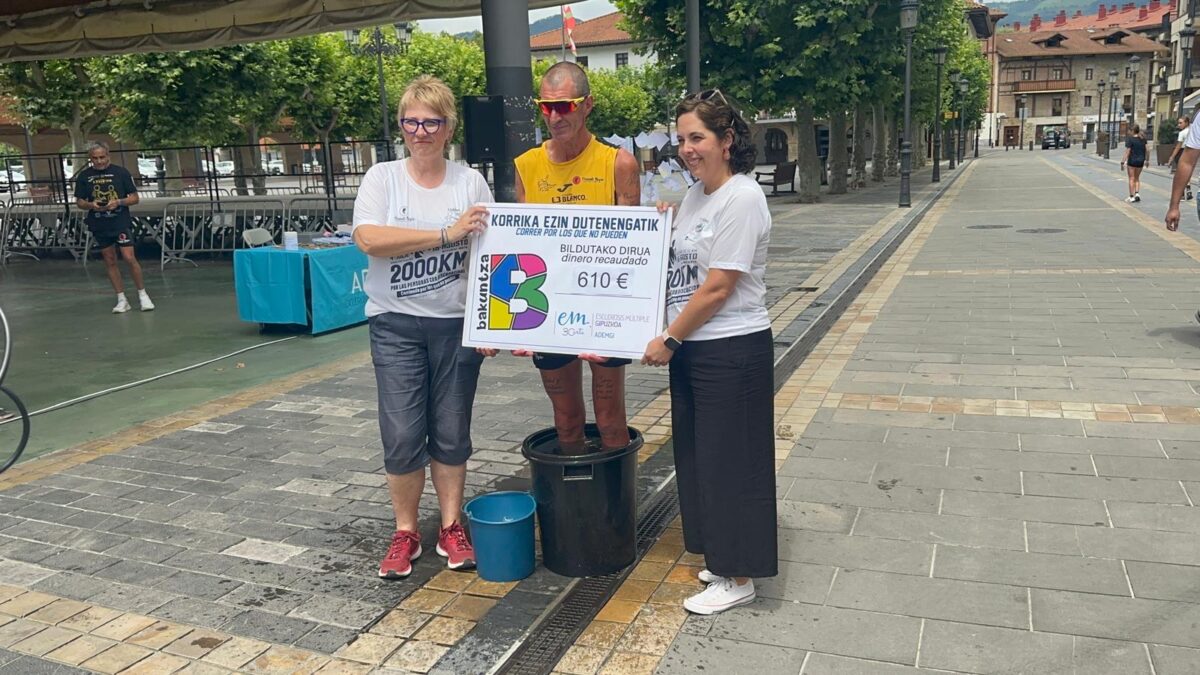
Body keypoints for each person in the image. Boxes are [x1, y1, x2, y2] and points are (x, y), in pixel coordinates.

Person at [641, 89, 776, 615]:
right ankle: (721, 559)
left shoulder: (743, 197)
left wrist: (670, 338)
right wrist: (659, 224)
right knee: (702, 459)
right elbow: (682, 264)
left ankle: (740, 577)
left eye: (697, 137)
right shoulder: (697, 194)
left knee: (732, 462)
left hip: (731, 349)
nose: (687, 149)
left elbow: (719, 287)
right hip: (695, 348)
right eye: (681, 139)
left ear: (727, 140)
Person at [352, 75, 493, 578]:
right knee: (401, 433)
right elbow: (369, 239)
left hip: (455, 325)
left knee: (452, 431)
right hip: (395, 324)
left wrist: (490, 324)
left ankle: (451, 525)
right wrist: (444, 234)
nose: (420, 132)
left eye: (431, 122)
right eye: (411, 122)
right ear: (401, 126)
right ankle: (406, 530)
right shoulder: (382, 178)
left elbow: (490, 255)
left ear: (449, 127)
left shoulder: (469, 182)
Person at [512, 62, 641, 454]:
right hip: (550, 308)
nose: (555, 117)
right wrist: (512, 324)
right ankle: (574, 491)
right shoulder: (526, 166)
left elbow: (635, 248)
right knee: (566, 421)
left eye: (565, 106)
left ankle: (617, 494)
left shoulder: (618, 163)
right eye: (546, 107)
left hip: (603, 307)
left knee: (610, 419)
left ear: (587, 105)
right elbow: (522, 248)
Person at [74, 142, 154, 313]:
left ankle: (143, 295)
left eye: (102, 157)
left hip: (120, 221)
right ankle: (121, 298)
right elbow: (80, 202)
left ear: (108, 155)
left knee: (129, 257)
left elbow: (135, 198)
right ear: (90, 158)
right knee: (109, 259)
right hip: (99, 223)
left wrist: (118, 202)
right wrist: (91, 205)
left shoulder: (121, 172)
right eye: (95, 158)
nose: (99, 161)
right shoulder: (84, 176)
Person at [1168, 116, 1194, 201]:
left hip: (1182, 152)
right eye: (1178, 123)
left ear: (1186, 123)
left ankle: (1181, 195)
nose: (1179, 125)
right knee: (1187, 171)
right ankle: (1188, 189)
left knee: (1180, 174)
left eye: (1180, 123)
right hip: (1191, 152)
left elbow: (1178, 146)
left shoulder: (1182, 133)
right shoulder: (1193, 131)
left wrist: (1172, 157)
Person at [1121, 124, 1147, 203]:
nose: (1128, 132)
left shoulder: (1130, 139)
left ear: (1132, 131)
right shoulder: (1143, 139)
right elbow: (1148, 149)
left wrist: (1123, 162)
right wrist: (1147, 160)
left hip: (1132, 161)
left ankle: (1131, 196)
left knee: (1131, 178)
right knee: (1137, 178)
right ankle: (1137, 194)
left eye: (1129, 130)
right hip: (1141, 161)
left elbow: (1127, 152)